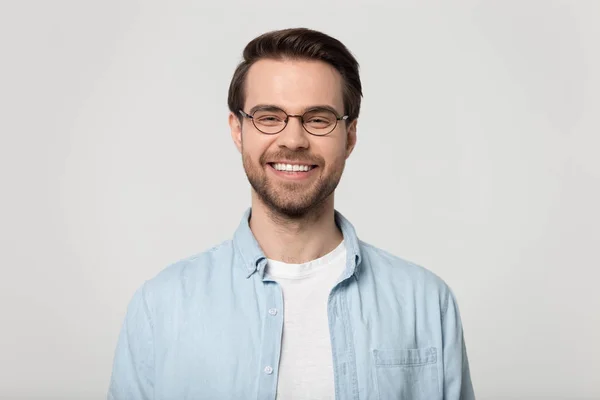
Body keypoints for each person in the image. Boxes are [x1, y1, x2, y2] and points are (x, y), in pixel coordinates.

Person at [108, 27, 475, 400]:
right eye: (269, 117)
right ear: (238, 130)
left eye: (318, 119)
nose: (293, 140)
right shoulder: (161, 306)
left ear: (349, 137)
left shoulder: (426, 302)